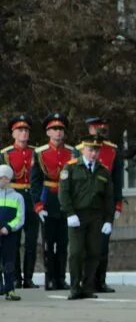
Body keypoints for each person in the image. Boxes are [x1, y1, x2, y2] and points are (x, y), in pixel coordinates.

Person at [59, 136, 114, 300]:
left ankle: (88, 287)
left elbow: (109, 198)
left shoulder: (103, 171)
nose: (93, 153)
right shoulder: (71, 168)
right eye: (90, 149)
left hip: (96, 216)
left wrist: (108, 220)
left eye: (96, 150)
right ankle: (75, 287)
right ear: (83, 149)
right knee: (76, 252)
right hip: (77, 215)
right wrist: (69, 213)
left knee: (94, 252)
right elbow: (64, 193)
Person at [30, 113, 76, 290]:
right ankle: (50, 278)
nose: (58, 133)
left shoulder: (72, 152)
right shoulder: (40, 153)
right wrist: (38, 205)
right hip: (48, 199)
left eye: (61, 129)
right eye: (54, 129)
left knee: (63, 243)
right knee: (49, 243)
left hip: (66, 201)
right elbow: (35, 182)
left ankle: (61, 278)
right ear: (48, 132)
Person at [81, 117, 123, 293]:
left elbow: (117, 179)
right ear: (90, 129)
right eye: (97, 128)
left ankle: (100, 281)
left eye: (103, 127)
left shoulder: (112, 150)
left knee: (103, 245)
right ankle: (86, 281)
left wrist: (118, 204)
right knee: (85, 246)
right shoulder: (80, 150)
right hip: (84, 205)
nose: (101, 130)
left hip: (105, 204)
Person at [1, 115, 38, 289]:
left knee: (31, 241)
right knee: (13, 240)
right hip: (13, 196)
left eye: (26, 130)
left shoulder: (35, 153)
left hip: (31, 197)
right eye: (20, 130)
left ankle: (28, 278)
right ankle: (15, 277)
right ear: (13, 133)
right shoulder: (6, 154)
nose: (24, 133)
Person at [0, 164, 25, 301]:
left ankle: (10, 290)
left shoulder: (17, 197)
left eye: (2, 178)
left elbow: (20, 218)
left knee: (9, 262)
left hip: (9, 235)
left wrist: (8, 228)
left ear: (8, 179)